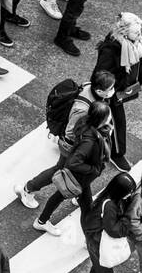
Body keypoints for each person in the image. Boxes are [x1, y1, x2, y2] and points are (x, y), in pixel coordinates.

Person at [15, 71, 115, 216]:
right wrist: (86, 144)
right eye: (110, 89)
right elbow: (70, 132)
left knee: (79, 174)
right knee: (60, 170)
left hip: (81, 145)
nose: (113, 91)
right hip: (71, 145)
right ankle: (28, 189)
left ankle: (81, 197)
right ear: (99, 91)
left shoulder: (92, 89)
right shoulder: (82, 109)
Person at [32, 100, 113, 235]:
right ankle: (42, 222)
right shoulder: (90, 141)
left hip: (83, 179)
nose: (110, 117)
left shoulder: (85, 122)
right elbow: (74, 162)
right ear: (101, 120)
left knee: (82, 202)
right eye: (108, 116)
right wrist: (93, 170)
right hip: (79, 178)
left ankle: (44, 221)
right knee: (65, 198)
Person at [93, 12, 142, 169]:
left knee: (103, 120)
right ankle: (117, 154)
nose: (140, 35)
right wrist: (109, 91)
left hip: (117, 91)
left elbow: (141, 62)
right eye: (136, 32)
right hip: (109, 93)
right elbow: (99, 75)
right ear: (125, 32)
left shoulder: (136, 43)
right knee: (116, 121)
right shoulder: (110, 50)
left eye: (140, 31)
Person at [73, 172, 134, 273]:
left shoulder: (109, 199)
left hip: (98, 241)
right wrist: (126, 219)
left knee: (98, 268)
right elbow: (114, 230)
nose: (129, 195)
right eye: (128, 192)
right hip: (97, 243)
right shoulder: (110, 206)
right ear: (119, 191)